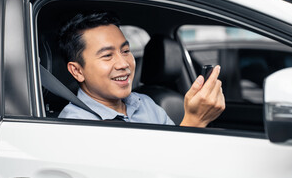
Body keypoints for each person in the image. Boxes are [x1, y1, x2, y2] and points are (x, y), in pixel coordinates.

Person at [58, 11, 225, 127]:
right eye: (107, 55)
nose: (123, 63)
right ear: (77, 71)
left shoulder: (145, 103)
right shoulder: (75, 124)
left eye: (125, 51)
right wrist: (194, 121)